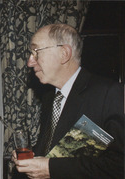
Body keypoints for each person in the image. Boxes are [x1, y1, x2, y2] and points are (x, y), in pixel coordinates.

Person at [12, 24, 124, 178]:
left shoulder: (108, 94)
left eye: (36, 52)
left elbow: (119, 165)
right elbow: (55, 151)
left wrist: (52, 169)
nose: (30, 62)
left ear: (64, 53)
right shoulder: (49, 98)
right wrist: (32, 159)